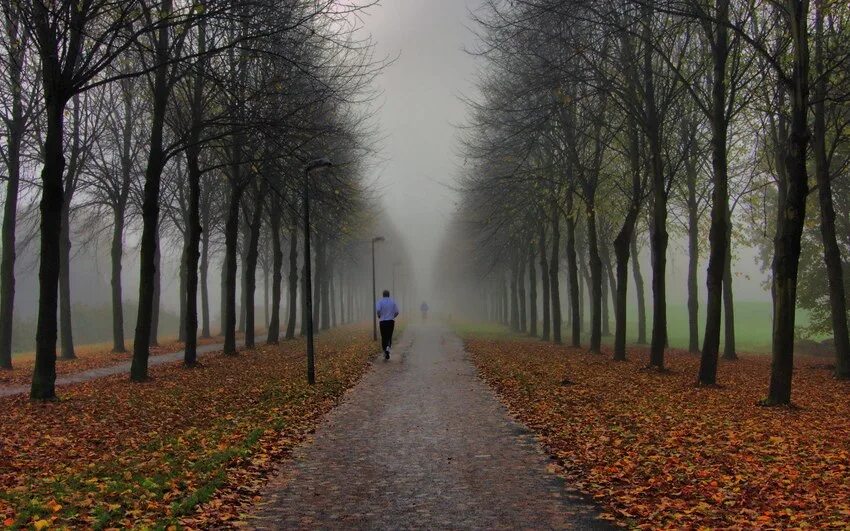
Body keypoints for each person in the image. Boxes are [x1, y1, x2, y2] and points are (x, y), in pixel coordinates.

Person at [376, 289, 399, 360]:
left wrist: (379, 316)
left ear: (383, 295)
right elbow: (397, 312)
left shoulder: (380, 301)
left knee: (383, 336)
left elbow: (378, 310)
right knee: (389, 335)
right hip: (391, 322)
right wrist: (393, 316)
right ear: (389, 295)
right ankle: (388, 347)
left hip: (382, 322)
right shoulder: (393, 302)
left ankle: (384, 350)